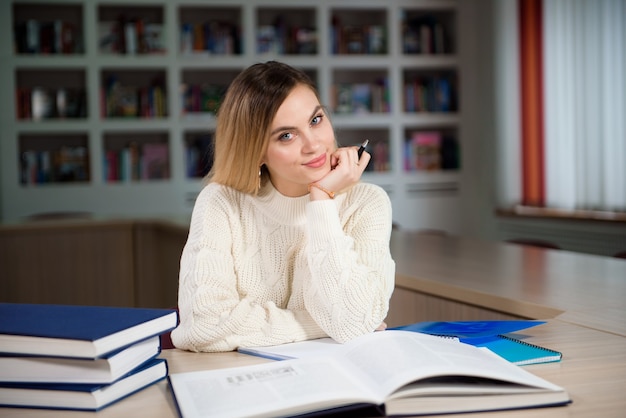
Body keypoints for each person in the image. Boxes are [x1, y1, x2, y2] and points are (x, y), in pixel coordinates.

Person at [171, 61, 396, 352]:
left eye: (315, 120)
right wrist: (321, 325)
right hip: (245, 383)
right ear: (256, 150)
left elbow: (352, 320)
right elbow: (201, 326)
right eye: (286, 136)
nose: (313, 145)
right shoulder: (221, 202)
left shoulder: (367, 203)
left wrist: (322, 200)